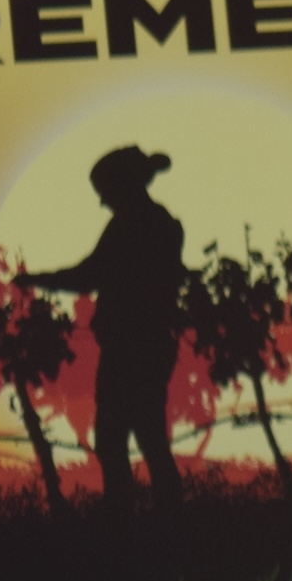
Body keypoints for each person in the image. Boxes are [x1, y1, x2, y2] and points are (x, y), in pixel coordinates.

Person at [24, 144, 188, 509]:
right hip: (149, 344)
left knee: (116, 441)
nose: (104, 202)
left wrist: (37, 279)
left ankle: (126, 523)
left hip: (131, 348)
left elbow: (90, 274)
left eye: (106, 193)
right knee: (148, 439)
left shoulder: (132, 226)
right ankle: (164, 520)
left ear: (121, 187)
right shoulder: (160, 223)